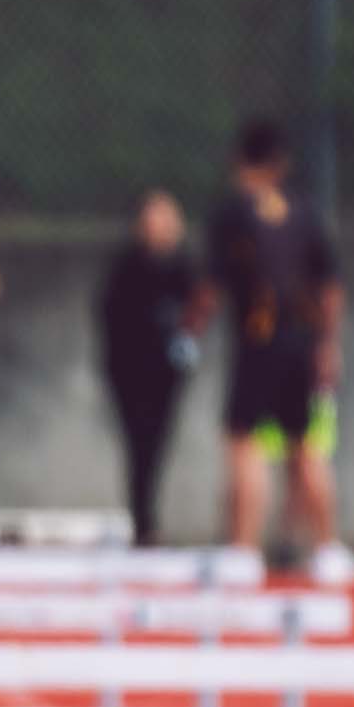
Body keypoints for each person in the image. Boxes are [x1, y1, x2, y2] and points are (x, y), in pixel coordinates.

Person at [202, 120, 349, 578]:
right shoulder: (304, 211)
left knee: (245, 443)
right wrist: (328, 344)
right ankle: (328, 549)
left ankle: (245, 550)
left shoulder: (232, 212)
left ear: (239, 161)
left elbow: (211, 286)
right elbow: (330, 286)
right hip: (302, 342)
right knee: (305, 446)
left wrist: (190, 329)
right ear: (279, 164)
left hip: (257, 341)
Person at [94, 191, 201, 549]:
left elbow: (197, 311)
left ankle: (146, 520)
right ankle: (143, 521)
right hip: (129, 373)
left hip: (167, 375)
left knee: (156, 446)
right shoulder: (126, 266)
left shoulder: (185, 265)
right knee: (138, 444)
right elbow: (109, 318)